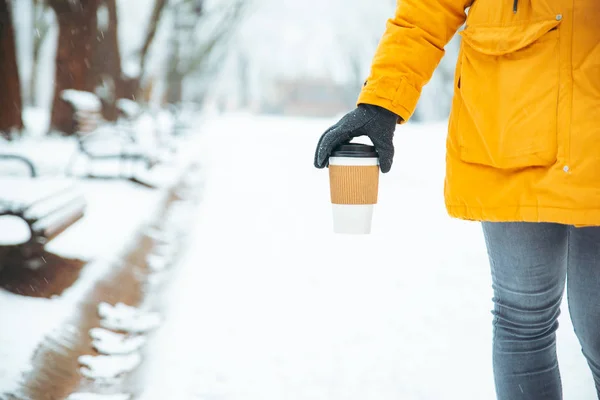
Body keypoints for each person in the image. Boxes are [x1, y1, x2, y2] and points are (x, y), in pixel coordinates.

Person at [313, 0, 600, 399]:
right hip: (513, 120)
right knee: (523, 318)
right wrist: (381, 101)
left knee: (597, 321)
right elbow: (425, 11)